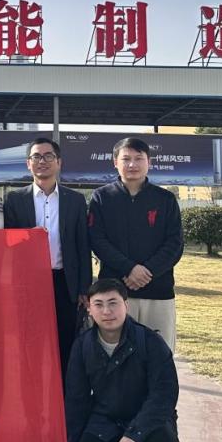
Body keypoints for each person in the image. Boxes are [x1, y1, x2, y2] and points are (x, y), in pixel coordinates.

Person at [65, 278, 180, 442]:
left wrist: (135, 436)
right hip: (106, 419)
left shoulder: (150, 342)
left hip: (147, 418)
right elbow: (76, 400)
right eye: (99, 304)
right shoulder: (83, 346)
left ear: (126, 305)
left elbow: (164, 395)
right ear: (89, 309)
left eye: (113, 303)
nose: (107, 311)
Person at [3, 137, 91, 385]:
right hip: (28, 284)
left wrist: (84, 288)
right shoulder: (14, 199)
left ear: (59, 162)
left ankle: (64, 400)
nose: (42, 161)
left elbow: (82, 245)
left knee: (66, 344)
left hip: (64, 282)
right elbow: (7, 243)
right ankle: (33, 397)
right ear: (28, 164)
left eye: (48, 156)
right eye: (36, 157)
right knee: (30, 345)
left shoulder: (75, 200)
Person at [88, 137, 184, 351]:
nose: (132, 164)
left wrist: (147, 271)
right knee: (114, 353)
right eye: (126, 159)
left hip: (158, 291)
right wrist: (129, 269)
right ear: (115, 162)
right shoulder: (102, 197)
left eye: (138, 158)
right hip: (115, 292)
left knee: (159, 353)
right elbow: (98, 240)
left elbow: (175, 243)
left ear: (149, 162)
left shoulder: (165, 199)